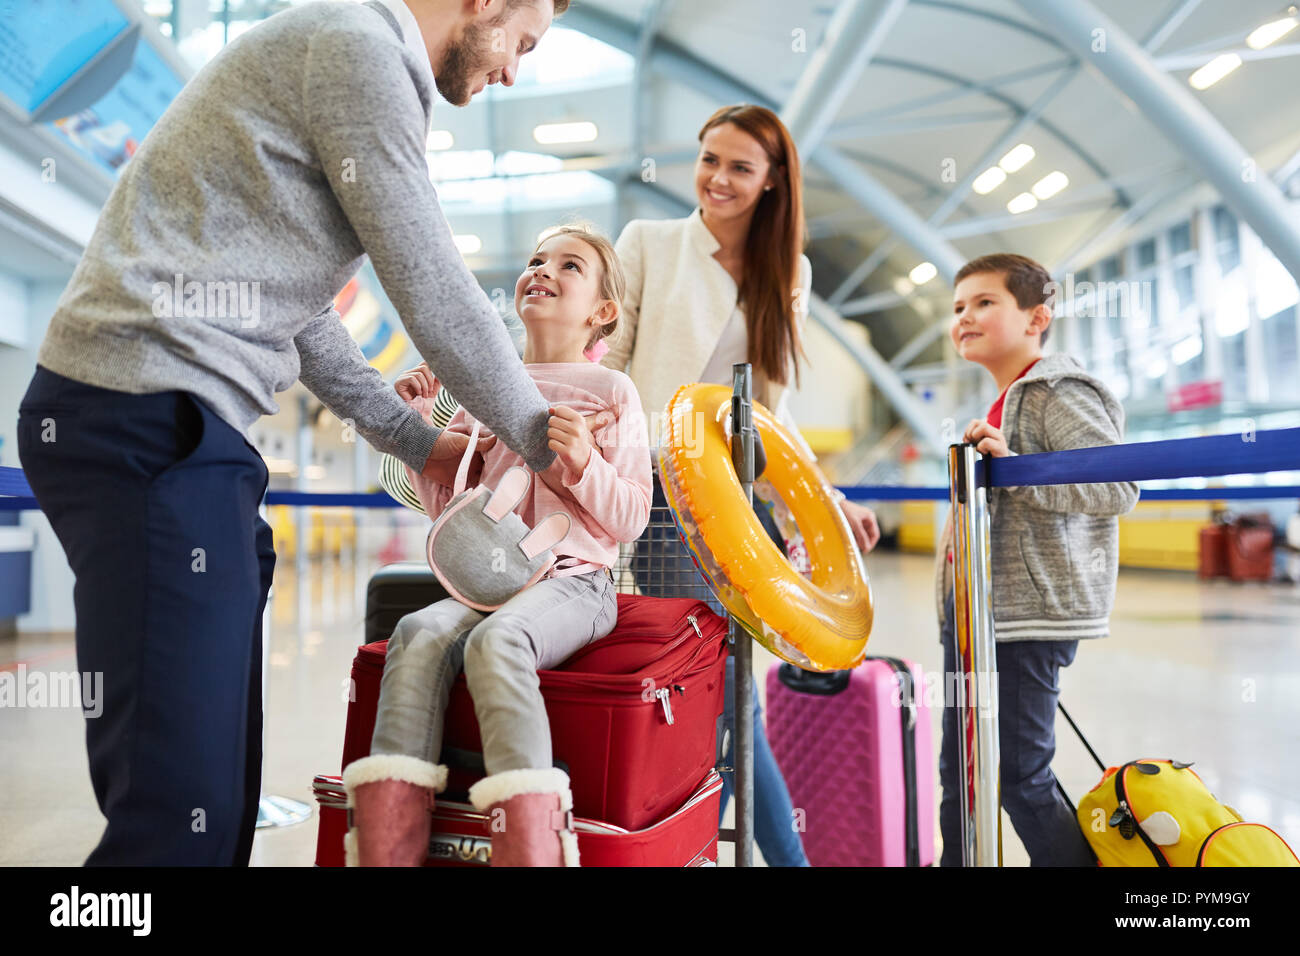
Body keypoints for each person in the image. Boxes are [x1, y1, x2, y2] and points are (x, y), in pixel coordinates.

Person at [15, 0, 571, 866]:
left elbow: (300, 315)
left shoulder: (345, 58)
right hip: (145, 415)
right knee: (177, 817)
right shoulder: (361, 49)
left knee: (219, 806)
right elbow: (431, 284)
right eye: (522, 42)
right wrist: (545, 443)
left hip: (181, 431)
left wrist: (415, 440)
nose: (512, 70)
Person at [601, 104, 881, 866]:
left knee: (723, 688)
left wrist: (825, 499)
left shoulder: (787, 269)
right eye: (709, 160)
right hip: (657, 492)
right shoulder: (650, 244)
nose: (717, 180)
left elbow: (771, 416)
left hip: (734, 499)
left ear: (773, 182)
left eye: (739, 168)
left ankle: (700, 843)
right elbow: (611, 365)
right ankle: (755, 853)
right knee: (713, 686)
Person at [343, 226, 652, 867]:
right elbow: (454, 512)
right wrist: (428, 424)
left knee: (499, 640)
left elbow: (629, 520)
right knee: (418, 633)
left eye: (569, 265)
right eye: (537, 259)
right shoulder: (481, 391)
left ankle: (533, 849)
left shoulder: (613, 394)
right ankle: (385, 849)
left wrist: (582, 461)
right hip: (489, 577)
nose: (543, 269)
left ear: (602, 312)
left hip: (578, 582)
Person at [936, 253, 1139, 866]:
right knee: (962, 774)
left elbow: (1117, 488)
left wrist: (1018, 473)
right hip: (978, 616)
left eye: (985, 302)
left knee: (1019, 776)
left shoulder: (1056, 391)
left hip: (1029, 617)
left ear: (1037, 317)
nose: (965, 317)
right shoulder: (1005, 401)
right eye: (958, 308)